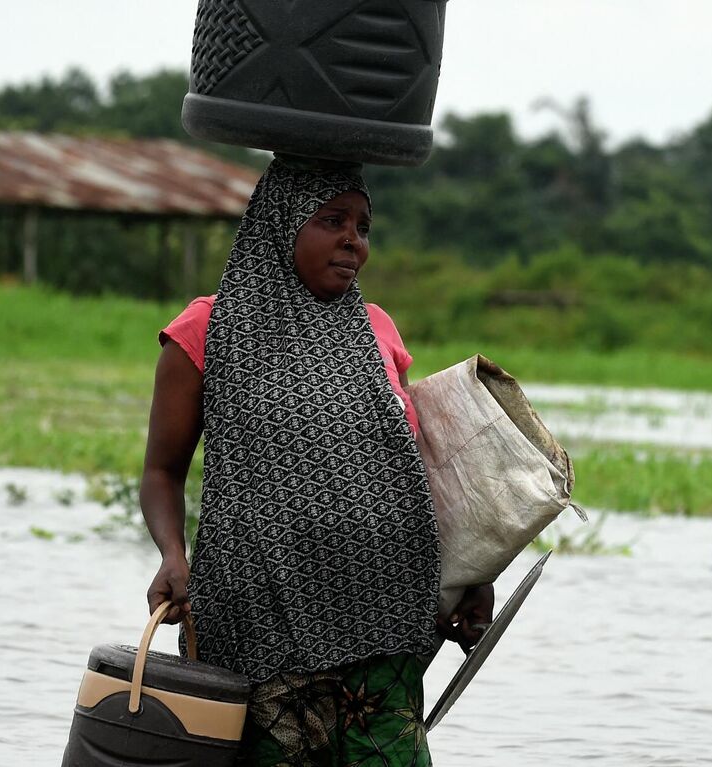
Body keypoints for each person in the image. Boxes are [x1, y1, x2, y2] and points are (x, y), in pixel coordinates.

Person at [140, 155, 493, 766]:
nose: (353, 241)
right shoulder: (208, 329)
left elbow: (418, 471)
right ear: (281, 223)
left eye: (363, 226)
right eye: (332, 221)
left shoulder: (375, 328)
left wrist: (469, 573)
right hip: (260, 630)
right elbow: (161, 471)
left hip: (387, 623)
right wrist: (174, 555)